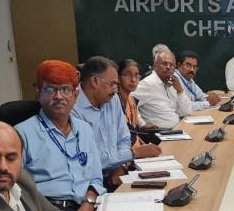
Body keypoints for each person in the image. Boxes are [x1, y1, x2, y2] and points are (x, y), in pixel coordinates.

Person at [14, 60, 105, 211]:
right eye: (50, 90)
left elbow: (96, 179)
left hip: (89, 207)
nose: (58, 96)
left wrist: (89, 203)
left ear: (75, 95)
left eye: (65, 90)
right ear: (38, 94)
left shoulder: (85, 129)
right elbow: (14, 186)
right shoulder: (21, 133)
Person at [75, 57, 158, 189]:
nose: (116, 90)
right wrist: (133, 153)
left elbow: (123, 138)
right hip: (87, 183)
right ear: (95, 81)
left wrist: (120, 166)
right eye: (113, 84)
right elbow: (88, 160)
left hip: (117, 172)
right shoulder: (72, 109)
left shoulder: (112, 99)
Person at [135, 50, 192, 128]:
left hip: (177, 129)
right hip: (159, 133)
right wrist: (142, 124)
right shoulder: (148, 83)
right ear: (155, 66)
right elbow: (129, 103)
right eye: (164, 64)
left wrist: (180, 91)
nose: (168, 67)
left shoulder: (173, 84)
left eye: (171, 65)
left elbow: (186, 112)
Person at [117, 59, 162, 157]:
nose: (133, 80)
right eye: (129, 75)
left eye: (137, 76)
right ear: (118, 78)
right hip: (125, 155)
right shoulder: (113, 103)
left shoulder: (132, 100)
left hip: (135, 151)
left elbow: (134, 133)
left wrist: (145, 146)